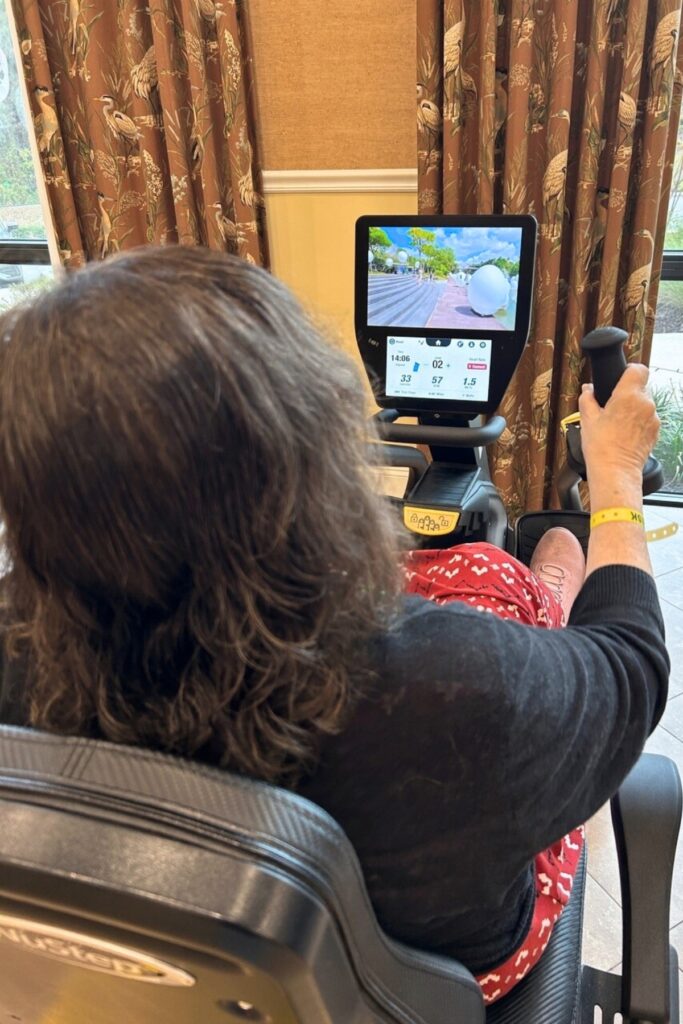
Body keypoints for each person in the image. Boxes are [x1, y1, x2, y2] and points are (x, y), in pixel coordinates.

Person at [0, 246, 667, 1005]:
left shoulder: (15, 645)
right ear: (305, 473)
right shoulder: (463, 692)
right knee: (540, 557)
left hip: (179, 989)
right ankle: (548, 579)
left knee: (487, 576)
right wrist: (613, 476)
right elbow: (630, 665)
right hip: (421, 991)